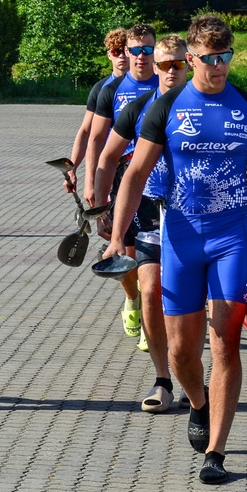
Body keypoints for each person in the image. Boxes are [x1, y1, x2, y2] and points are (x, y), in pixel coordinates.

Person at [104, 15, 247, 484]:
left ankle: (216, 451)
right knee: (179, 353)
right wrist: (118, 237)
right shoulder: (166, 107)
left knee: (225, 342)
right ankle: (198, 400)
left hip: (231, 238)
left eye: (226, 57)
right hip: (181, 239)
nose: (219, 67)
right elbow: (134, 175)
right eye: (210, 59)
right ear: (190, 58)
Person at [94, 34, 189, 413]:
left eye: (176, 63)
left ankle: (190, 376)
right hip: (149, 211)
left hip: (195, 215)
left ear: (190, 63)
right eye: (163, 64)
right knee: (150, 292)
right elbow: (106, 157)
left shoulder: (209, 107)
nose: (168, 71)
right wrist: (102, 208)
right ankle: (163, 379)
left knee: (189, 303)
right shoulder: (138, 109)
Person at [84, 23, 159, 338]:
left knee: (152, 257)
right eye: (135, 51)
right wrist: (91, 184)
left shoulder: (168, 85)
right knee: (125, 255)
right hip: (120, 178)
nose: (141, 57)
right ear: (126, 53)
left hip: (155, 178)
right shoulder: (111, 90)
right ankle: (132, 298)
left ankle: (151, 320)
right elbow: (97, 139)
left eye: (147, 50)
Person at [63, 28, 129, 192]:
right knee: (105, 214)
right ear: (109, 55)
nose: (121, 56)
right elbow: (86, 131)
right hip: (111, 163)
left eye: (125, 51)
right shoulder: (101, 89)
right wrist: (72, 168)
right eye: (116, 51)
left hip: (139, 160)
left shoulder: (150, 86)